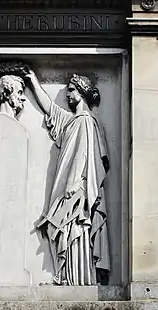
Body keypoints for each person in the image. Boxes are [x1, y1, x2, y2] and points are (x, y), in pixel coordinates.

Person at [24, 69, 110, 286]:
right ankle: (66, 276)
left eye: (71, 90)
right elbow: (49, 107)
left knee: (76, 228)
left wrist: (75, 187)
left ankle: (80, 279)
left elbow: (90, 160)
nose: (67, 95)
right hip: (65, 186)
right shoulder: (70, 121)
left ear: (81, 92)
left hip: (79, 189)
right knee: (63, 232)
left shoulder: (87, 122)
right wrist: (33, 81)